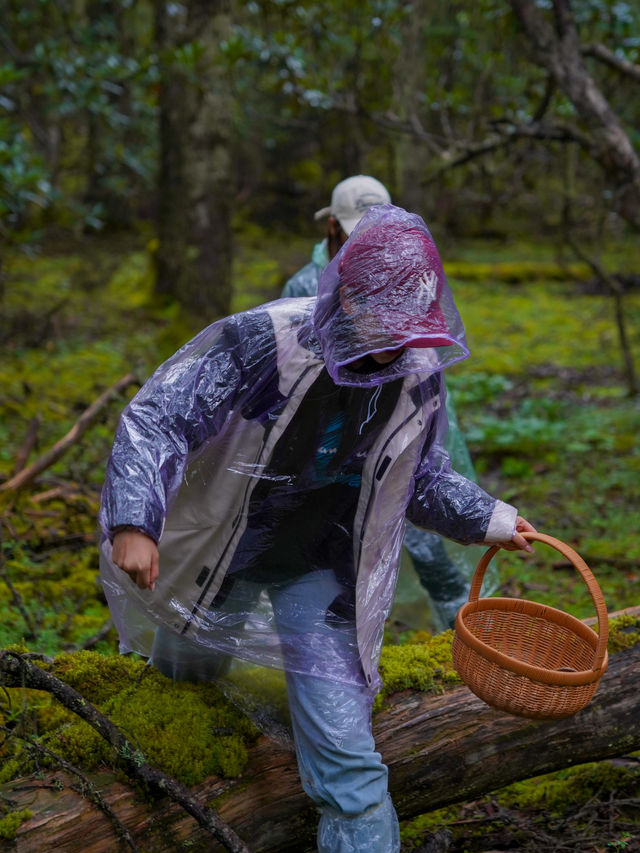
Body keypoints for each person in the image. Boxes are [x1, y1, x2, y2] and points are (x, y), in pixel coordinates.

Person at [99, 203, 535, 853]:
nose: (393, 342)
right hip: (225, 551)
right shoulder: (265, 342)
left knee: (348, 758)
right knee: (186, 678)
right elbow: (160, 418)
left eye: (407, 325)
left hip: (325, 569)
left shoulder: (416, 377)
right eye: (380, 319)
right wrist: (136, 521)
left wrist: (490, 518)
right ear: (346, 292)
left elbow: (421, 478)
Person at [283, 175, 488, 629]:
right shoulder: (304, 287)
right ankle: (347, 631)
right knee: (344, 551)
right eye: (353, 228)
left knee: (427, 539)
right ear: (332, 226)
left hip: (407, 428)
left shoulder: (405, 268)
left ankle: (460, 632)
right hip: (343, 449)